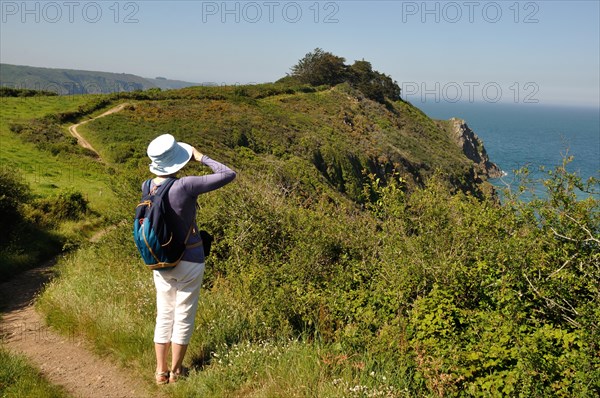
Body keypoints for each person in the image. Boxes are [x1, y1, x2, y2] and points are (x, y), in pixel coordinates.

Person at [144, 134, 236, 385]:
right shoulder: (185, 185)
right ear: (177, 161)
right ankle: (176, 372)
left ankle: (159, 372)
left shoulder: (147, 186)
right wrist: (201, 157)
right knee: (183, 314)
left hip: (160, 260)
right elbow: (228, 173)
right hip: (190, 259)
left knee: (164, 314)